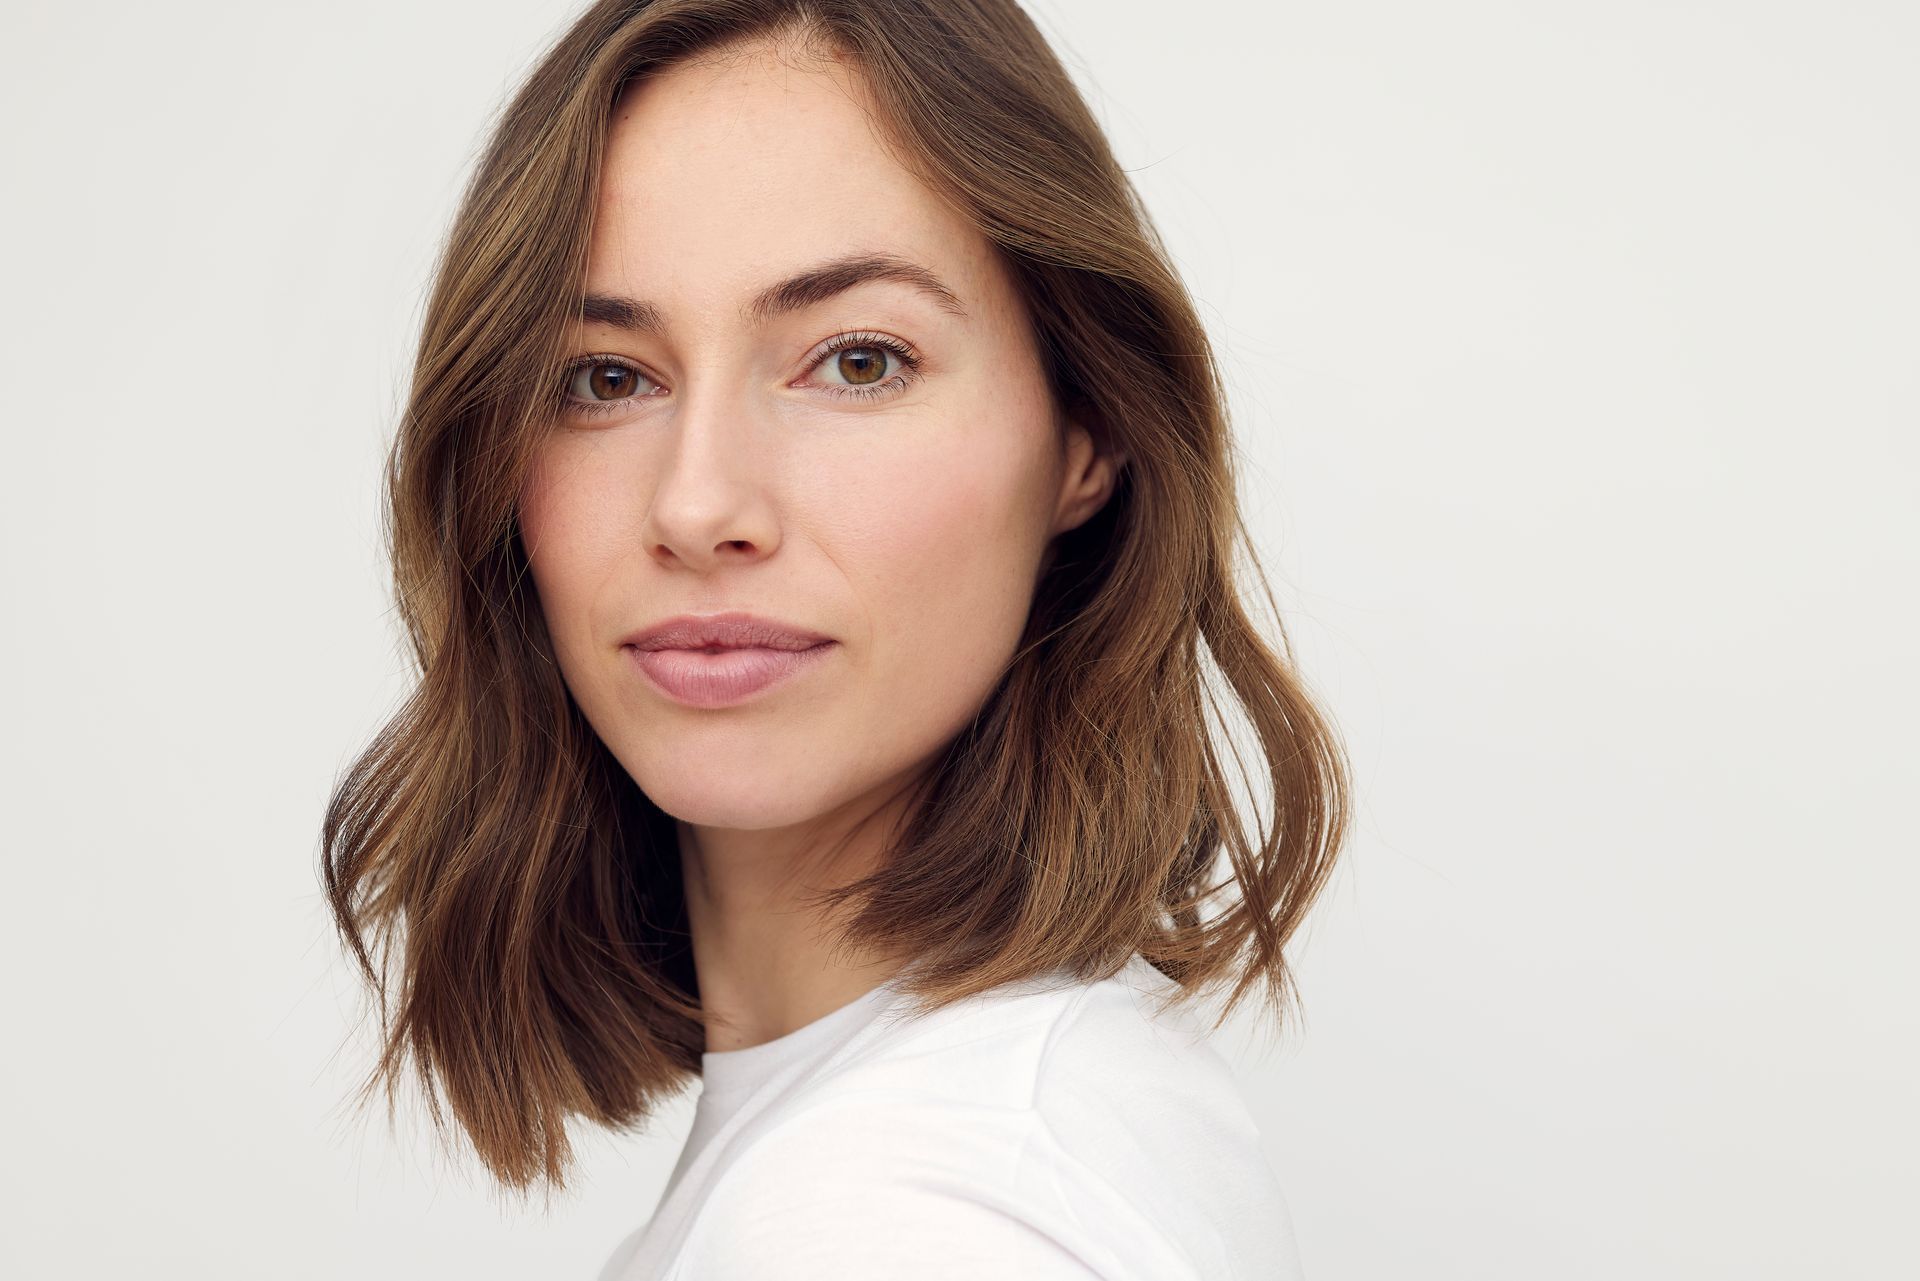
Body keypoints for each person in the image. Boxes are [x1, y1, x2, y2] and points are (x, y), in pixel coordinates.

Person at [321, 2, 1353, 1277]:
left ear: (1088, 432)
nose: (698, 506)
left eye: (859, 361)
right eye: (604, 376)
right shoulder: (961, 1134)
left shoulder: (901, 1213)